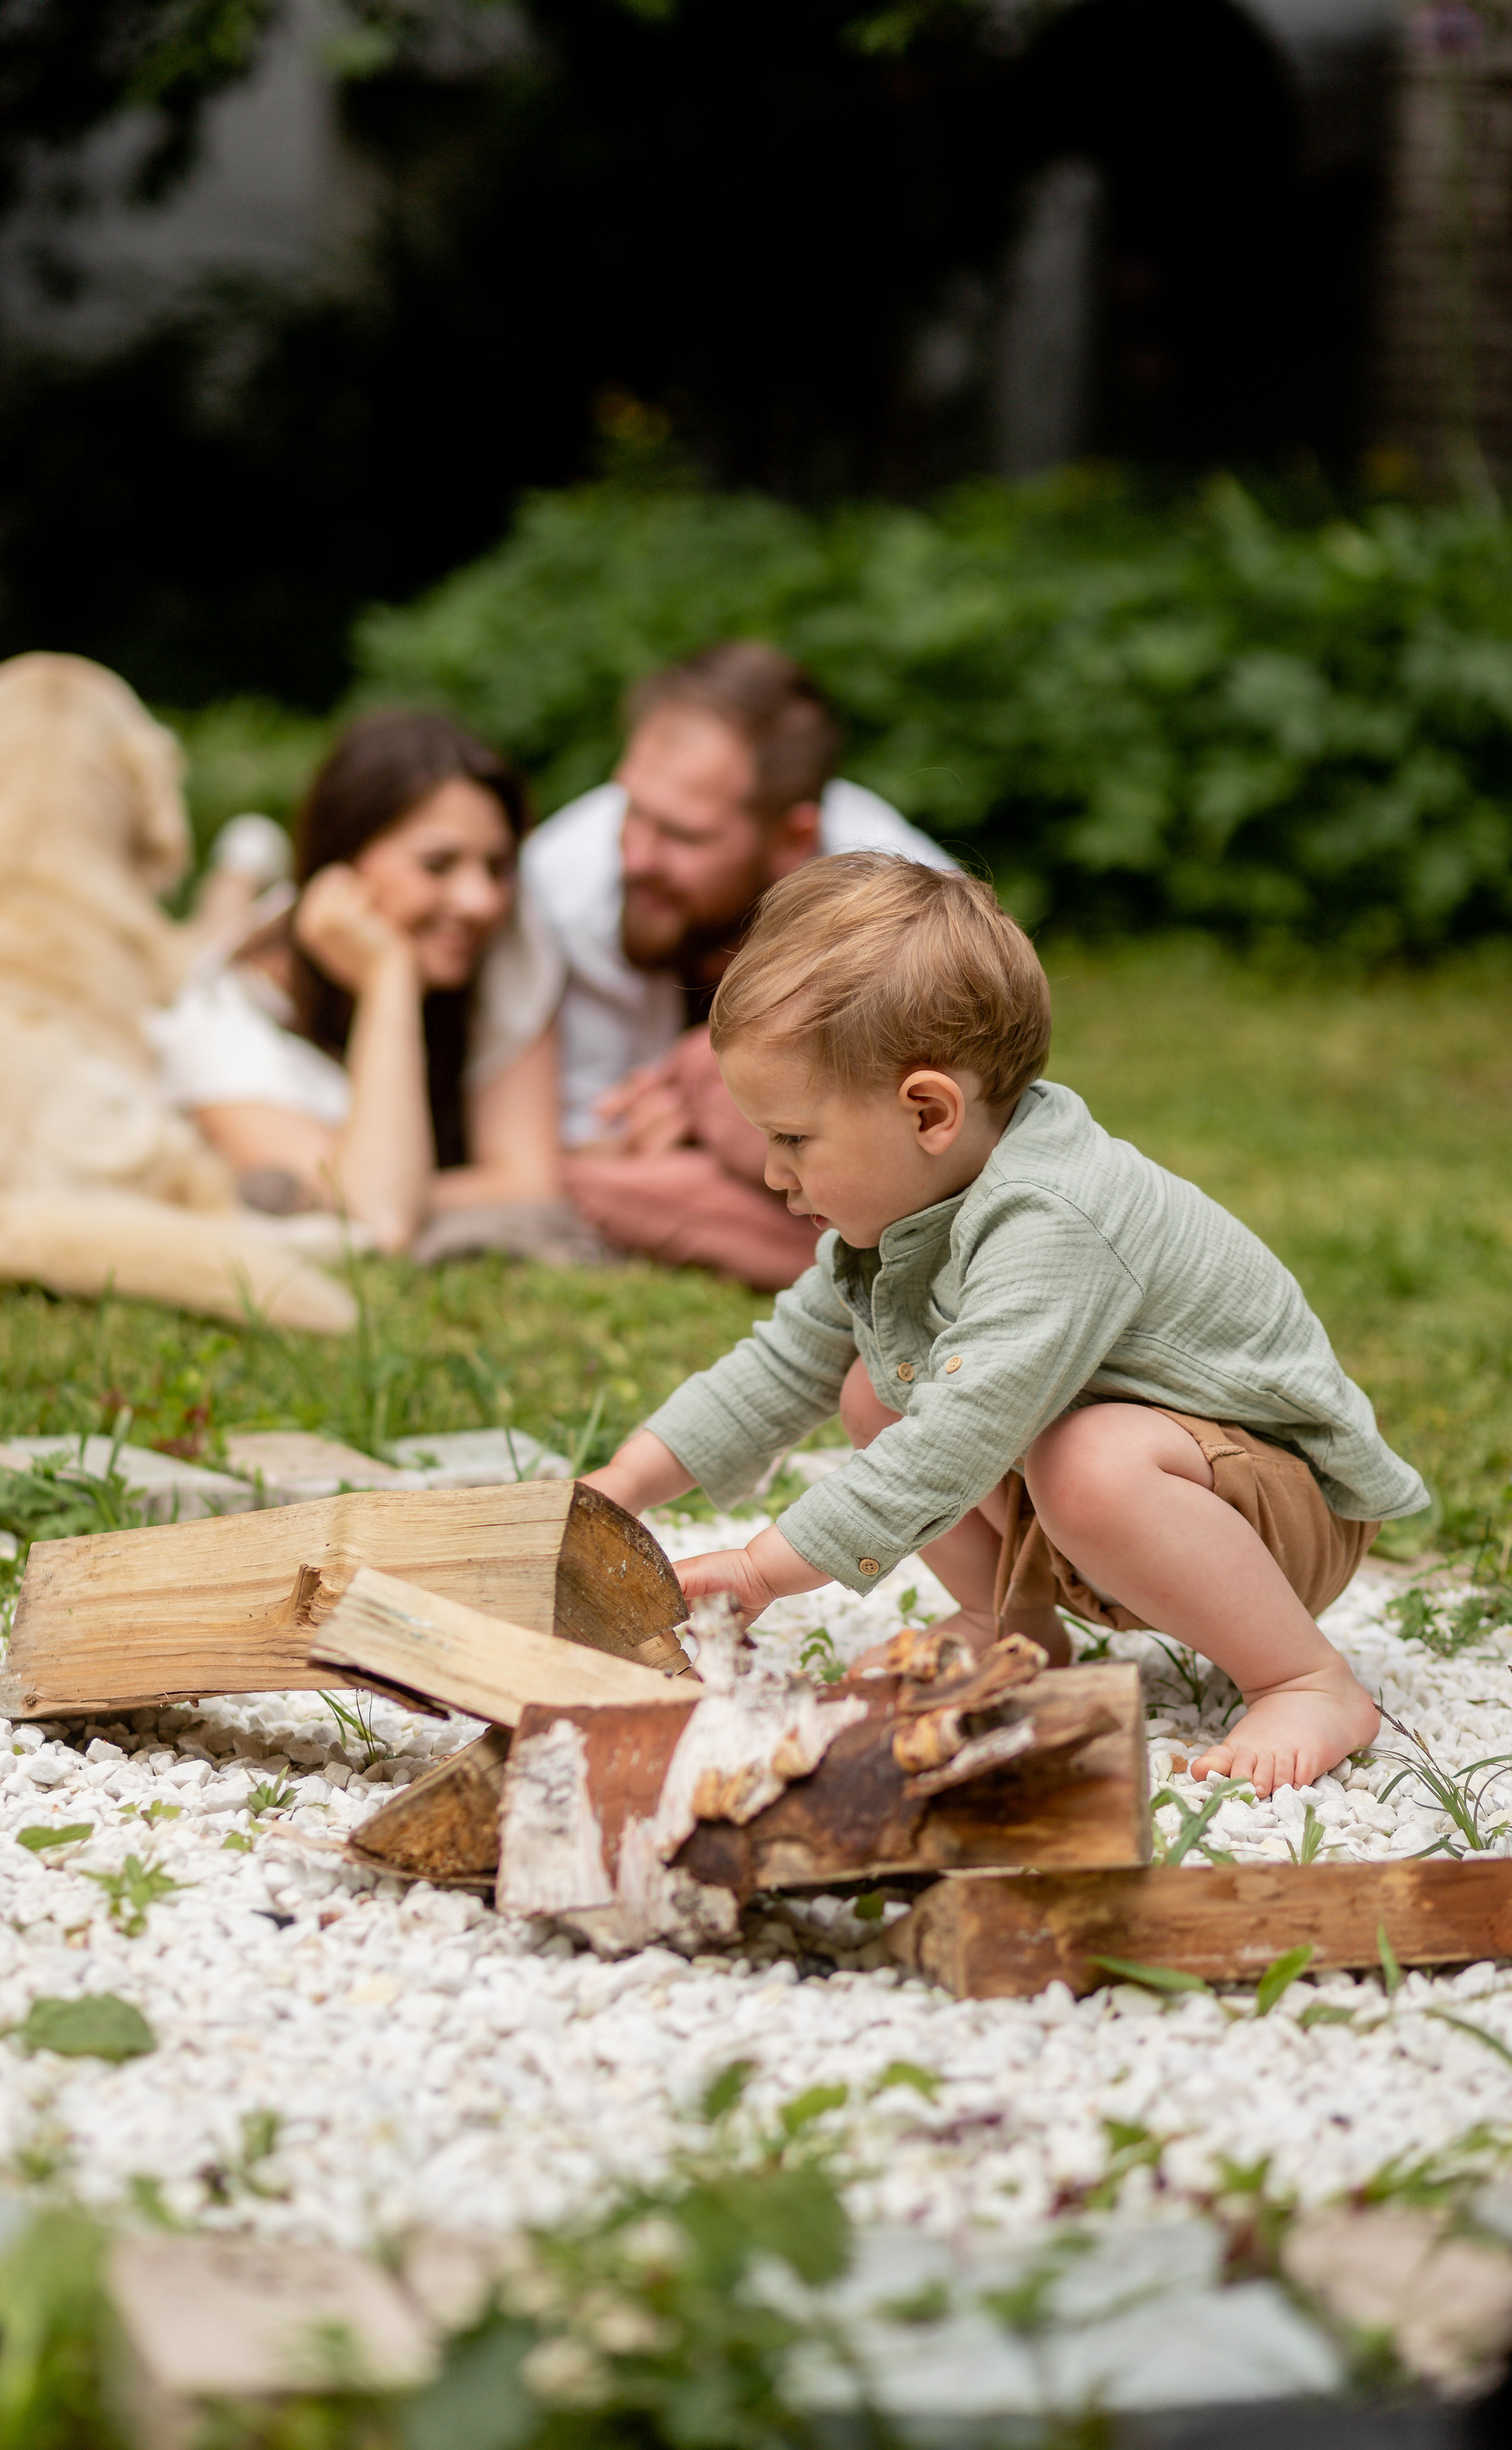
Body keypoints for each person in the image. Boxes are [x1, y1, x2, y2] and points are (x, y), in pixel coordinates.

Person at [584, 853, 1428, 1799]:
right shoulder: (899, 1222)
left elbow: (959, 1437)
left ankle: (1305, 1678)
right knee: (876, 1387)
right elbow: (778, 1369)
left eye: (793, 1139)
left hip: (1273, 1512)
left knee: (1080, 1456)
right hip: (1145, 1494)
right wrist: (611, 1494)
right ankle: (1013, 1627)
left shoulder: (1053, 1215)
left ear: (929, 1112)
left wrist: (763, 1566)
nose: (773, 1172)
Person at [521, 641, 955, 1289]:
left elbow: (946, 1139)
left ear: (794, 839)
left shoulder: (913, 913)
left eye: (683, 836)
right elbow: (575, 1143)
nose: (636, 856)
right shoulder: (561, 888)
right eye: (631, 809)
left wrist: (708, 1097)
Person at [151, 709, 568, 1256]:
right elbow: (383, 1216)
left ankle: (246, 865)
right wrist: (389, 980)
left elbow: (528, 1179)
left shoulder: (501, 937)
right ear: (339, 866)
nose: (481, 900)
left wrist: (378, 1182)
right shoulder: (219, 1019)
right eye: (438, 865)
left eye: (497, 865)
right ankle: (241, 865)